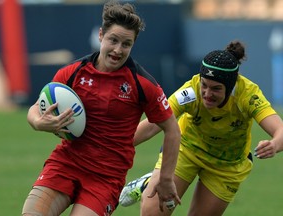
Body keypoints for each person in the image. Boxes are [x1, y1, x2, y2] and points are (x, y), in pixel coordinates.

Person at [21, 1, 181, 215]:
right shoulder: (73, 72)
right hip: (65, 164)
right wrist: (39, 123)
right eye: (113, 40)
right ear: (100, 36)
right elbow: (36, 108)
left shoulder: (143, 84)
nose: (117, 50)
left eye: (126, 44)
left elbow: (172, 129)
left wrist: (166, 178)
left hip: (106, 178)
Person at [119, 40, 283, 215]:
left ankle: (151, 180)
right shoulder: (191, 91)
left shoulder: (248, 95)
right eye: (204, 85)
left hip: (226, 166)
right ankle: (149, 182)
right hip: (186, 150)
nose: (207, 93)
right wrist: (117, 145)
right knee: (152, 213)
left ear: (230, 87)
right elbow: (153, 124)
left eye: (216, 89)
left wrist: (274, 144)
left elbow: (280, 130)